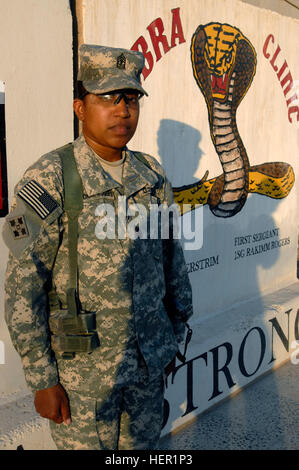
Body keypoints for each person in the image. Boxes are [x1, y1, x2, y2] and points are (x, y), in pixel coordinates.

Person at [3, 44, 193, 450]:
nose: (122, 110)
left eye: (130, 98)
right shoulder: (50, 177)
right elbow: (23, 287)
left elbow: (172, 261)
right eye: (107, 98)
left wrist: (173, 335)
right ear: (79, 108)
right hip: (83, 382)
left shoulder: (151, 173)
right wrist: (42, 378)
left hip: (146, 369)